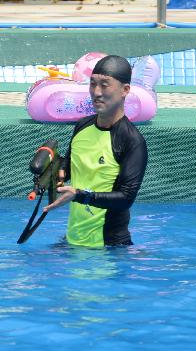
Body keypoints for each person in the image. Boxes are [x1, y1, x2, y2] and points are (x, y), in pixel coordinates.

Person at [43, 55, 149, 247]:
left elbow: (126, 199)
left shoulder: (131, 141)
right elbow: (71, 164)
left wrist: (81, 195)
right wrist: (55, 172)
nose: (96, 92)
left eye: (105, 85)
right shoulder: (83, 126)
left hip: (108, 248)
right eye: (92, 84)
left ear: (125, 90)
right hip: (73, 239)